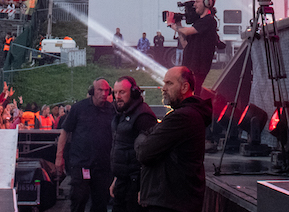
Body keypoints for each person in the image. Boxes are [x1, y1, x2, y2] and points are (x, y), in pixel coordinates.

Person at [133, 67, 212, 212]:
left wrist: (142, 137)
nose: (163, 88)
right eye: (164, 83)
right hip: (173, 201)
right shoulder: (185, 115)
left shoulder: (183, 117)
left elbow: (144, 152)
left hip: (170, 203)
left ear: (184, 87)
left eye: (169, 83)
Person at [56, 78, 114, 212]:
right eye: (100, 90)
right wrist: (59, 157)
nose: (104, 93)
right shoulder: (79, 108)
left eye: (106, 90)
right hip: (81, 163)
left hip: (103, 166)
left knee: (101, 202)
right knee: (79, 198)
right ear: (92, 91)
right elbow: (65, 132)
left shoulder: (112, 110)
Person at [109, 76, 157, 212]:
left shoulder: (143, 116)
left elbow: (151, 154)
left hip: (135, 185)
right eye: (115, 92)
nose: (117, 96)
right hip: (122, 181)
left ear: (134, 92)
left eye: (122, 92)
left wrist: (144, 187)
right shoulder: (122, 113)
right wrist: (116, 178)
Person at [164, 0, 218, 98]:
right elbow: (185, 44)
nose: (194, 5)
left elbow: (187, 31)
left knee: (192, 96)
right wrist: (178, 24)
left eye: (197, 2)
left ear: (207, 3)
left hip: (198, 68)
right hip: (189, 68)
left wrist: (171, 24)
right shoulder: (198, 23)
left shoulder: (209, 21)